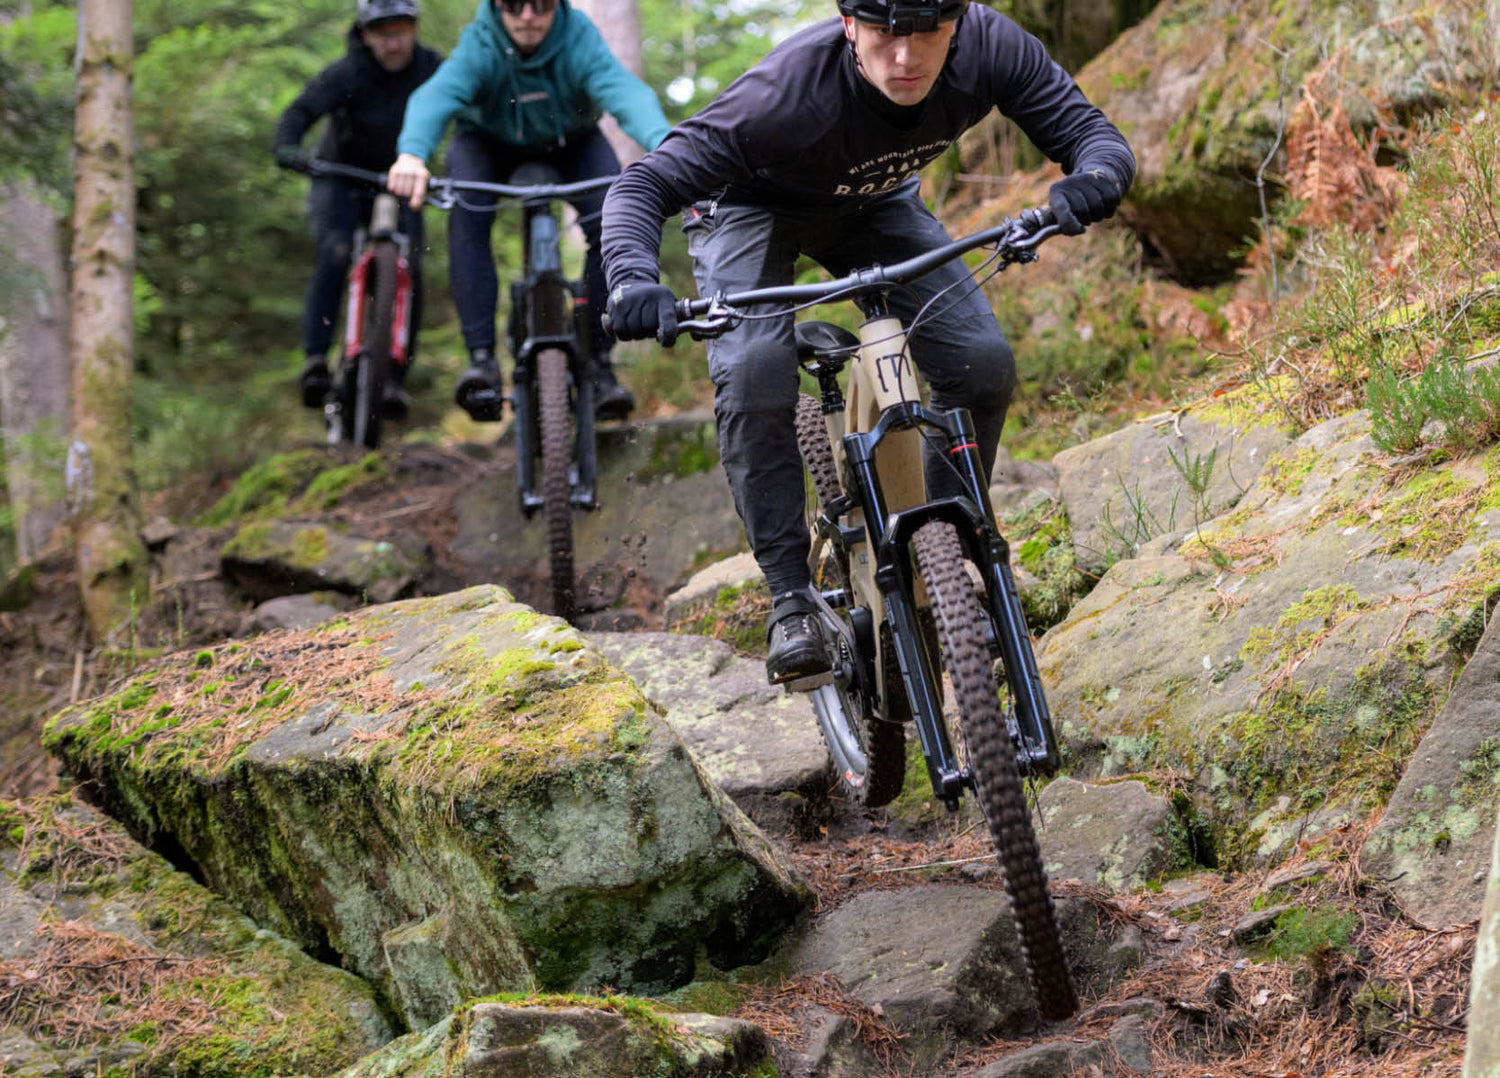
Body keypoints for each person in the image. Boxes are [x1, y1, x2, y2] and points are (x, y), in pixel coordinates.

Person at [602, 0, 1134, 684]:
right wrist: (631, 280)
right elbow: (642, 184)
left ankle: (945, 553)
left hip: (873, 202)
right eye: (885, 35)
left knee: (981, 365)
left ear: (958, 25)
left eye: (928, 35)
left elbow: (1092, 135)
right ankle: (791, 596)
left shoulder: (992, 48)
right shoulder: (784, 96)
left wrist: (1096, 177)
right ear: (850, 25)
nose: (907, 59)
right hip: (748, 209)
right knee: (757, 369)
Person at [386, 0, 671, 422]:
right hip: (486, 142)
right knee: (467, 218)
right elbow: (436, 96)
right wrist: (411, 154)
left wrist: (665, 142)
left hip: (571, 141)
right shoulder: (481, 43)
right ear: (496, 5)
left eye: (540, 4)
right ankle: (481, 361)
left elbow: (625, 92)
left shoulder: (578, 38)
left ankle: (599, 364)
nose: (527, 16)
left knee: (613, 222)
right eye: (514, 4)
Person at [273, 0, 443, 419]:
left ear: (414, 28)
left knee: (411, 268)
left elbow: (464, 110)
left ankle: (395, 377)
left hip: (402, 179)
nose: (393, 41)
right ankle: (316, 360)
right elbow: (299, 111)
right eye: (382, 31)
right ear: (365, 34)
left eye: (401, 28)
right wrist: (288, 147)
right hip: (341, 175)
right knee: (334, 251)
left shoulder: (431, 68)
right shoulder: (347, 72)